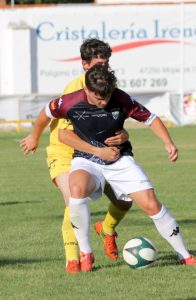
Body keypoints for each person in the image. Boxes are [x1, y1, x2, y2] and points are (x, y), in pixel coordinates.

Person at [40, 64, 196, 272]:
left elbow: (151, 119)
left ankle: (184, 255)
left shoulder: (121, 98)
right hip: (87, 160)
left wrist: (168, 143)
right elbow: (60, 132)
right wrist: (97, 152)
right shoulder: (69, 101)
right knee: (76, 191)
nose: (104, 101)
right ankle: (86, 253)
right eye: (99, 98)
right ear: (86, 90)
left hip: (120, 160)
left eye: (107, 96)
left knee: (151, 204)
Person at [20, 39, 132, 273]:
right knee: (73, 200)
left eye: (107, 63)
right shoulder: (74, 90)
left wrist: (123, 134)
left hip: (97, 151)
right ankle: (74, 259)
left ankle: (107, 229)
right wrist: (34, 136)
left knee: (125, 199)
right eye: (99, 63)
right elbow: (46, 114)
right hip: (64, 150)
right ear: (84, 64)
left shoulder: (107, 86)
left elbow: (116, 118)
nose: (104, 68)